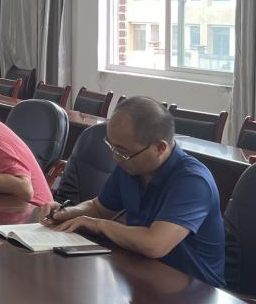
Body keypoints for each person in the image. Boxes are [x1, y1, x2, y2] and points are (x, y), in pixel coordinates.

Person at [41, 97, 225, 286]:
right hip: (143, 272)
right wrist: (65, 213)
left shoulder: (193, 181)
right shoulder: (132, 165)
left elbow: (155, 244)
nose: (115, 157)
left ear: (159, 148)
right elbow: (99, 208)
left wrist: (98, 225)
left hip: (194, 290)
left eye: (122, 151)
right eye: (111, 146)